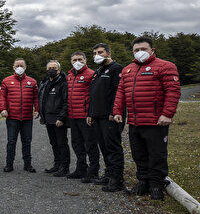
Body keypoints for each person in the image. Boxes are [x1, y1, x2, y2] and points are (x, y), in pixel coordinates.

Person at [113, 36, 181, 200]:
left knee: (156, 154)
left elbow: (173, 92)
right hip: (135, 122)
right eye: (136, 50)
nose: (140, 52)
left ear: (152, 50)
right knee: (139, 154)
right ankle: (143, 182)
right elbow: (121, 92)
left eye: (143, 49)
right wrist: (117, 111)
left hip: (156, 122)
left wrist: (167, 114)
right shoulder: (128, 70)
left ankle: (156, 185)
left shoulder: (165, 66)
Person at [87, 43, 126, 192]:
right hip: (97, 116)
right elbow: (93, 95)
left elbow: (119, 93)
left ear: (108, 53)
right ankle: (109, 175)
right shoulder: (97, 72)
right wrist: (90, 113)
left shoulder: (117, 69)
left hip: (110, 117)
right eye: (95, 52)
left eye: (100, 52)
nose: (97, 55)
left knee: (113, 148)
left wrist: (114, 112)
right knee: (103, 147)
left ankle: (117, 179)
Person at [66, 51, 100, 183]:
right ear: (71, 62)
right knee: (76, 144)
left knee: (90, 145)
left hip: (86, 117)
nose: (77, 62)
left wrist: (91, 113)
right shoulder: (69, 76)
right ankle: (81, 168)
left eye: (80, 59)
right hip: (73, 116)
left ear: (85, 60)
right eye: (74, 60)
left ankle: (93, 172)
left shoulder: (91, 74)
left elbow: (94, 96)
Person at [0, 59, 39, 172]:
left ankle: (28, 165)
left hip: (27, 117)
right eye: (17, 65)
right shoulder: (6, 81)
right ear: (13, 67)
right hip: (12, 117)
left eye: (22, 65)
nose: (19, 67)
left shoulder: (32, 82)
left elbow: (36, 97)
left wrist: (37, 109)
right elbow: (2, 97)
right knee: (11, 141)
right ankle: (9, 164)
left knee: (27, 141)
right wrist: (3, 109)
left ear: (25, 67)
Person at [38, 61, 70, 177]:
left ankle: (64, 167)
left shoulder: (63, 83)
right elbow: (42, 100)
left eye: (54, 68)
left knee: (62, 143)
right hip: (48, 118)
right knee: (54, 143)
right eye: (49, 68)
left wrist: (62, 117)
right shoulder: (45, 83)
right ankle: (57, 164)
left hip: (58, 119)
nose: (52, 70)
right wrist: (42, 116)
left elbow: (66, 101)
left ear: (59, 70)